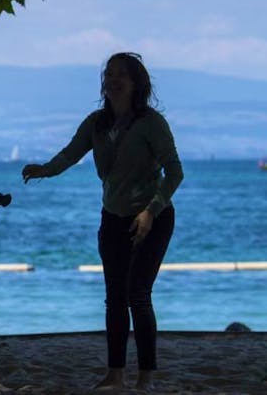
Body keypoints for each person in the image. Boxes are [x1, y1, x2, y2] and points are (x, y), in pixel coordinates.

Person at [22, 52, 183, 391]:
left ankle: (146, 378)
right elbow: (70, 153)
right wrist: (43, 170)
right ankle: (115, 374)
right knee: (114, 298)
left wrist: (150, 211)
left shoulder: (152, 123)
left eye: (120, 74)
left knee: (138, 293)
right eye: (108, 74)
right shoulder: (97, 122)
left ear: (136, 82)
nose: (112, 80)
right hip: (113, 218)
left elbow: (175, 173)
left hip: (152, 218)